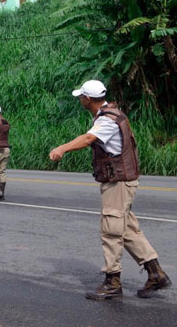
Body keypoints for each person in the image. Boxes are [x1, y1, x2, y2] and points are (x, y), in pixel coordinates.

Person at [49, 80, 172, 300]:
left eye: (81, 97)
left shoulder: (106, 120)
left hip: (118, 183)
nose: (80, 100)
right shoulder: (112, 113)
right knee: (128, 230)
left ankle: (112, 282)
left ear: (87, 99)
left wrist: (62, 148)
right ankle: (156, 274)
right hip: (122, 181)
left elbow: (88, 138)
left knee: (111, 231)